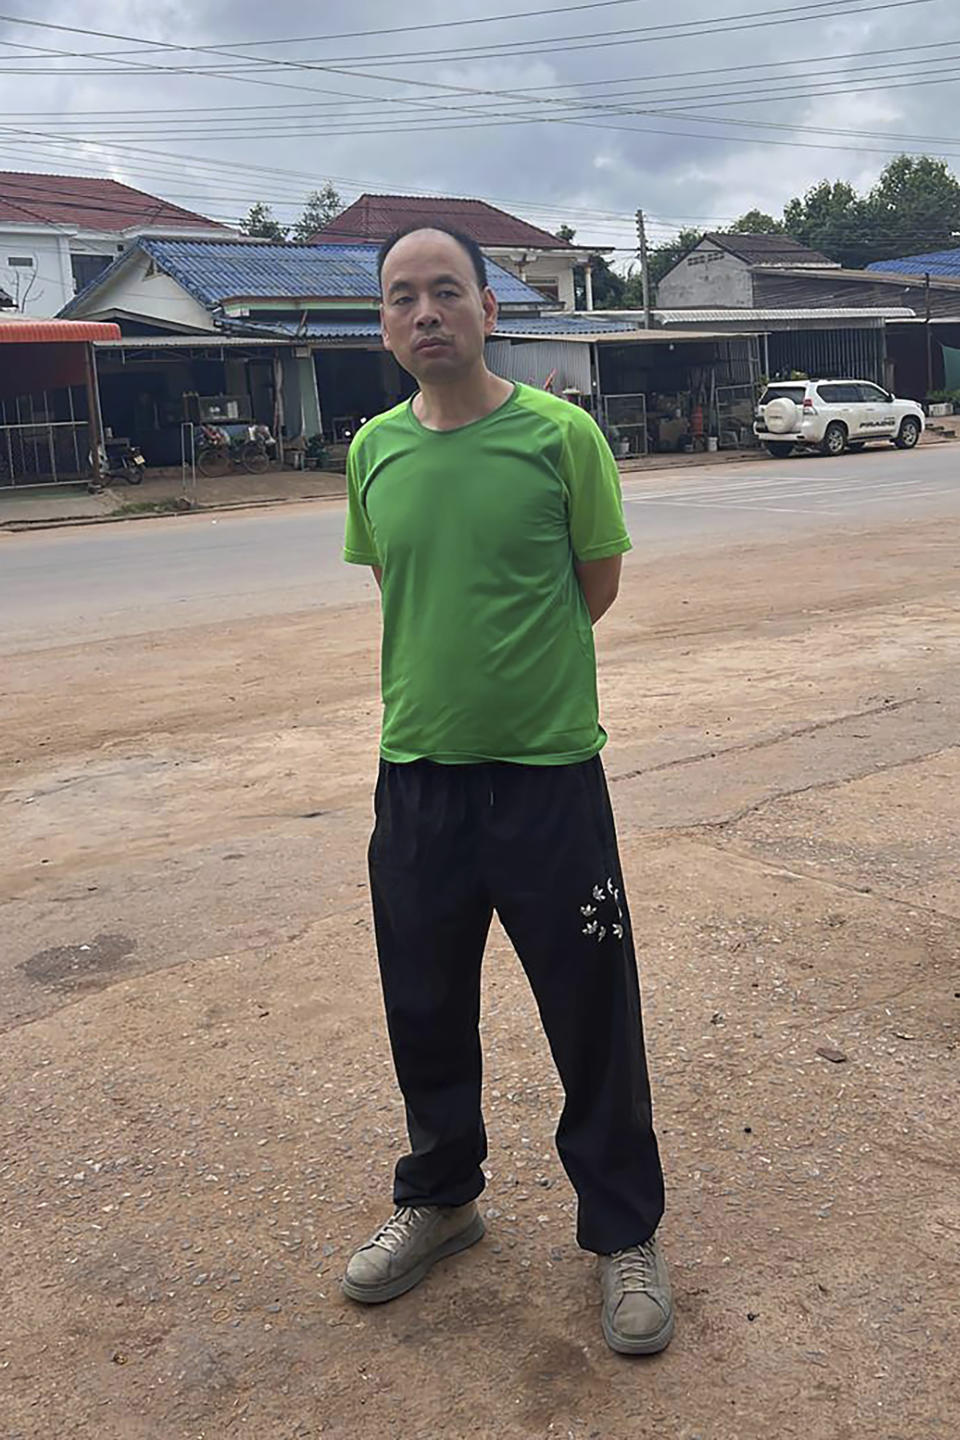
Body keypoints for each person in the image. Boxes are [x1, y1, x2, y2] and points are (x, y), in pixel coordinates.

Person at [340, 224, 672, 1356]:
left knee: (592, 1012)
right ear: (383, 327)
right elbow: (399, 581)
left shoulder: (560, 436)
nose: (424, 312)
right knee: (422, 1003)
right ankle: (443, 1196)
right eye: (401, 299)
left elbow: (595, 581)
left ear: (490, 310)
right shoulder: (372, 452)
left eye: (445, 292)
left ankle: (623, 1229)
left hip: (548, 782)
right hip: (417, 779)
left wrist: (522, 689)